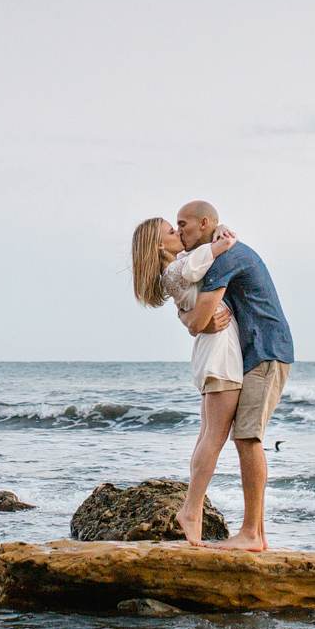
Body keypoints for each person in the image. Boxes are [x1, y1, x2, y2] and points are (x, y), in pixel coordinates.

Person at [175, 200, 293, 551]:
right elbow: (192, 310)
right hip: (254, 352)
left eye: (184, 224)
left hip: (266, 350)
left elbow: (198, 321)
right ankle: (256, 535)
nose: (180, 231)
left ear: (205, 222)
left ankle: (252, 534)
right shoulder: (219, 251)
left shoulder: (224, 258)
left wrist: (197, 321)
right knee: (243, 436)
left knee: (247, 437)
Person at [129, 215, 242, 545]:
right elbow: (207, 258)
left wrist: (216, 230)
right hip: (221, 354)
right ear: (159, 245)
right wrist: (223, 240)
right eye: (171, 230)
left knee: (207, 434)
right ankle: (191, 512)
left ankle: (192, 508)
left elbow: (198, 261)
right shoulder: (179, 269)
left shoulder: (172, 271)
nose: (179, 232)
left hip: (210, 353)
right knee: (214, 437)